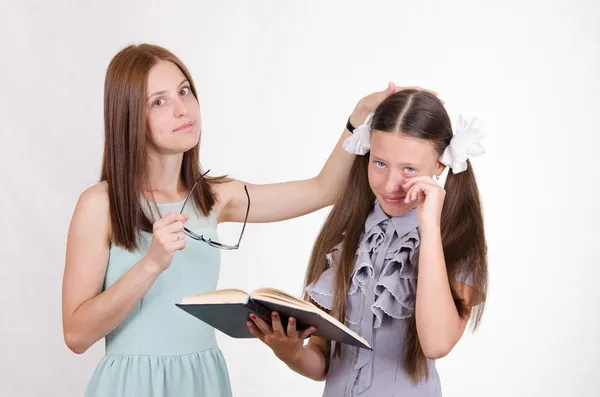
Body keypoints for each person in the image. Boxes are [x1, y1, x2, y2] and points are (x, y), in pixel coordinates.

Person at [60, 43, 433, 396]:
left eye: (184, 91)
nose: (182, 109)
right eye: (159, 101)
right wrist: (150, 265)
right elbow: (76, 335)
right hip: (132, 384)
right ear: (128, 117)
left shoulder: (216, 197)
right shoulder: (100, 205)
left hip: (201, 380)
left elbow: (323, 190)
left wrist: (357, 118)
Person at [248, 89, 488, 396]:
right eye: (380, 163)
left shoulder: (457, 242)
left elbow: (436, 343)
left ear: (440, 165)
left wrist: (429, 230)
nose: (390, 185)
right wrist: (291, 352)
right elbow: (323, 360)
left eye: (409, 169)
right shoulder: (348, 233)